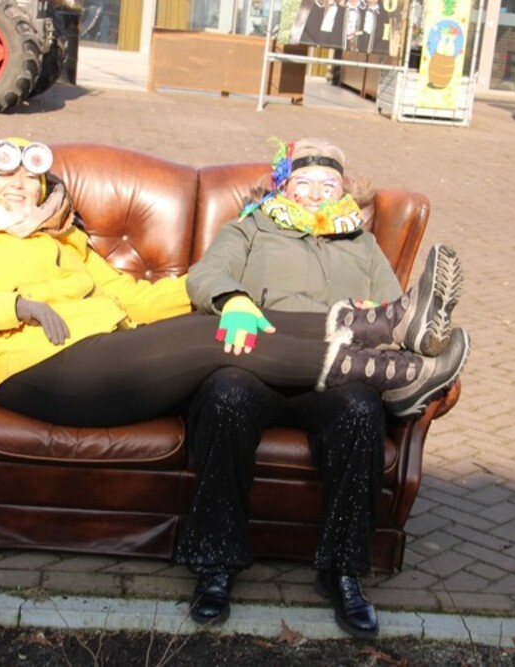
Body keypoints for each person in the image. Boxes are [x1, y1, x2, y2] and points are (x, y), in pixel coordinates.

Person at [0, 137, 468, 432]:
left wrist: (226, 288)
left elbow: (134, 298)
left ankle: (385, 327)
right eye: (7, 175)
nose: (20, 186)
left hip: (105, 349)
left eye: (31, 178)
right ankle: (392, 371)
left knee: (232, 318)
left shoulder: (64, 239)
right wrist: (14, 306)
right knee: (222, 337)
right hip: (37, 369)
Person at [174, 138, 469, 638]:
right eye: (304, 183)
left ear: (344, 192)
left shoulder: (363, 243)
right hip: (260, 364)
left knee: (360, 409)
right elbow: (207, 273)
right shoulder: (250, 227)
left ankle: (343, 570)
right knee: (225, 397)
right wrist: (233, 299)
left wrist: (375, 311)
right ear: (283, 186)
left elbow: (397, 310)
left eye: (327, 185)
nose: (314, 194)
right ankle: (215, 563)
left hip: (335, 373)